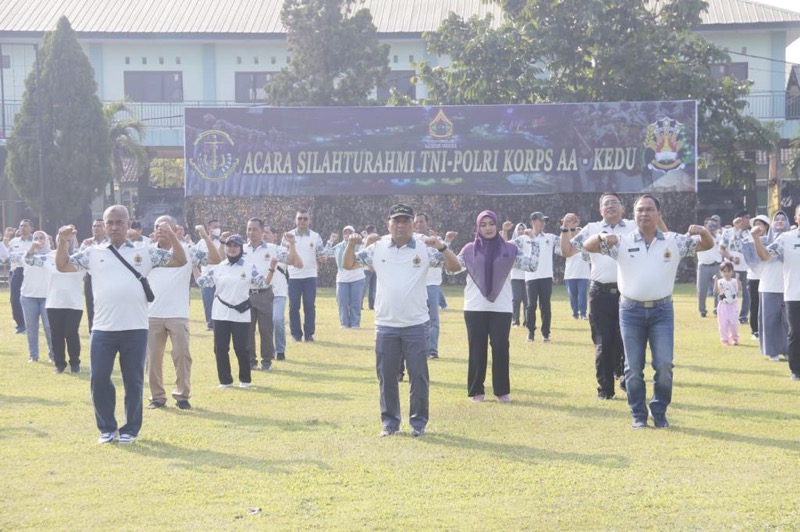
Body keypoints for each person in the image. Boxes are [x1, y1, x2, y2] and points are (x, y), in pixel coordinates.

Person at [56, 205, 187, 444]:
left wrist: (173, 236)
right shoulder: (93, 253)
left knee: (133, 380)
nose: (114, 227)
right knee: (99, 378)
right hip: (103, 329)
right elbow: (63, 266)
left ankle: (130, 429)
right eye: (110, 222)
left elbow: (179, 260)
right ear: (104, 226)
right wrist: (62, 241)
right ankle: (107, 428)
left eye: (119, 222)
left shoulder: (144, 252)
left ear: (129, 224)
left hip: (135, 328)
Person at [583, 194, 713, 428]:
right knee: (633, 367)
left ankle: (659, 411)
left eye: (649, 209)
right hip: (630, 311)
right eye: (640, 210)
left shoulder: (673, 241)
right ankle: (638, 415)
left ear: (658, 214)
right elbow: (588, 245)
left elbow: (707, 245)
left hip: (662, 311)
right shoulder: (621, 241)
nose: (644, 214)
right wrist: (602, 235)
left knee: (664, 365)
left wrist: (703, 231)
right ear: (634, 215)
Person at [343, 203, 460, 437]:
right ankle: (390, 423)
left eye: (405, 221)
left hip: (416, 324)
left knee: (418, 376)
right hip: (386, 324)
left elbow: (455, 267)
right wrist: (350, 244)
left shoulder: (424, 247)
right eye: (396, 221)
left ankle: (418, 423)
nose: (400, 225)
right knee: (387, 377)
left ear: (411, 224)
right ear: (389, 224)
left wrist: (442, 247)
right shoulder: (378, 247)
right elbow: (348, 264)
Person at [455, 212, 538, 403]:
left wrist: (533, 241)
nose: (488, 228)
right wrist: (444, 247)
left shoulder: (509, 249)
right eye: (483, 224)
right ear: (478, 227)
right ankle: (476, 391)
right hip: (475, 307)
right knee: (477, 348)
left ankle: (502, 391)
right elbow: (451, 268)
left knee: (501, 347)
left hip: (501, 307)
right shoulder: (469, 250)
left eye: (491, 223)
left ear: (497, 225)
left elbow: (532, 266)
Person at [146, 216, 222, 411]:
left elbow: (215, 258)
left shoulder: (188, 251)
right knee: (153, 358)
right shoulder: (148, 252)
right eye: (157, 227)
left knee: (181, 355)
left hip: (177, 313)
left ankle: (182, 395)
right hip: (152, 313)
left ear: (176, 229)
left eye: (165, 227)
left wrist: (204, 236)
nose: (160, 229)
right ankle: (157, 397)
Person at [199, 234, 285, 387]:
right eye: (229, 246)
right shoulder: (218, 267)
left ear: (240, 249)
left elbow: (263, 283)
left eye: (235, 246)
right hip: (220, 313)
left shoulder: (248, 266)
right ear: (225, 248)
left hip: (240, 313)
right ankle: (225, 381)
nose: (232, 249)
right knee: (220, 348)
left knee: (242, 348)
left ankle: (245, 380)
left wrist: (271, 268)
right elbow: (202, 282)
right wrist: (193, 265)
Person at [23, 231, 85, 373]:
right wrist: (32, 247)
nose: (66, 243)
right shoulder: (47, 258)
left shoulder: (80, 258)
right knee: (56, 335)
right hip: (54, 303)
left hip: (73, 303)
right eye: (63, 240)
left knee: (71, 333)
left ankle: (75, 363)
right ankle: (60, 365)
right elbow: (28, 260)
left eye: (69, 241)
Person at [244, 218, 300, 370]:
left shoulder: (273, 248)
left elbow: (291, 260)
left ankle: (266, 361)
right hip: (246, 294)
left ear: (262, 232)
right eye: (249, 229)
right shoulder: (242, 249)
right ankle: (250, 361)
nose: (251, 232)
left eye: (254, 229)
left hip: (265, 294)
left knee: (266, 329)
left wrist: (292, 244)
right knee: (247, 329)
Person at [754, 205, 800, 380]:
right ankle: (796, 370)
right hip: (794, 294)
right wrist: (756, 239)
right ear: (796, 218)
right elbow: (765, 256)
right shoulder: (786, 238)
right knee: (795, 333)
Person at [749, 210, 792, 365]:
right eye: (777, 219)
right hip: (768, 284)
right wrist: (756, 237)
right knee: (770, 320)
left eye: (782, 219)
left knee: (787, 322)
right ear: (772, 224)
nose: (780, 221)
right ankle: (771, 351)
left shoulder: (792, 240)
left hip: (788, 286)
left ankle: (787, 349)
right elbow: (756, 256)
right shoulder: (763, 241)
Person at [413, 212, 456, 359]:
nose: (418, 224)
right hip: (414, 285)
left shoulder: (436, 241)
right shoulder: (410, 241)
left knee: (433, 319)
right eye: (416, 222)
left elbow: (441, 257)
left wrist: (447, 242)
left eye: (421, 221)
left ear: (427, 223)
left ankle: (432, 350)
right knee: (415, 319)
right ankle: (418, 350)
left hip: (431, 284)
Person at [7, 230, 54, 363]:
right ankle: (33, 356)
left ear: (47, 240)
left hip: (47, 297)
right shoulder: (26, 256)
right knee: (31, 328)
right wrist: (32, 248)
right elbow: (8, 255)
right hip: (28, 297)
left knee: (49, 327)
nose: (38, 240)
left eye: (41, 238)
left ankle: (53, 355)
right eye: (36, 238)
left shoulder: (52, 256)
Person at [284, 208, 326, 342]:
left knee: (309, 305)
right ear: (295, 220)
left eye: (305, 219)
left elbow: (321, 253)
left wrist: (322, 258)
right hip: (293, 276)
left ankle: (309, 334)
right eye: (299, 218)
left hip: (310, 276)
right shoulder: (288, 236)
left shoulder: (315, 236)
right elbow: (282, 255)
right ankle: (296, 334)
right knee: (294, 306)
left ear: (309, 221)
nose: (302, 221)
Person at [517, 212, 560, 343]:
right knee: (531, 306)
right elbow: (507, 245)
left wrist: (568, 228)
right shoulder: (524, 238)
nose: (543, 223)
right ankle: (530, 333)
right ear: (533, 222)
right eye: (540, 220)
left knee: (545, 306)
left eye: (544, 221)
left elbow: (566, 242)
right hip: (531, 277)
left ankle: (545, 334)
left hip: (546, 277)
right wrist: (505, 231)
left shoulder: (550, 237)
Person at [329, 225, 366, 329]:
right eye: (345, 232)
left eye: (349, 232)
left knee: (356, 303)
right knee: (342, 302)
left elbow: (364, 258)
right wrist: (330, 241)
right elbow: (325, 253)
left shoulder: (360, 246)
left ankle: (355, 324)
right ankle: (344, 323)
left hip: (357, 278)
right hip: (342, 279)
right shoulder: (338, 246)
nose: (347, 234)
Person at [719, 211, 751, 324]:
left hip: (746, 268)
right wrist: (731, 258)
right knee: (727, 291)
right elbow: (722, 249)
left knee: (747, 293)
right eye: (746, 217)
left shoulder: (749, 233)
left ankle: (743, 316)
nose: (748, 220)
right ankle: (725, 314)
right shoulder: (728, 232)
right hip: (730, 268)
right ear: (740, 219)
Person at [193, 219, 221, 331]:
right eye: (215, 227)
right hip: (206, 276)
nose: (217, 229)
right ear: (208, 228)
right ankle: (210, 324)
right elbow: (194, 259)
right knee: (208, 300)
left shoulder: (222, 242)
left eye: (219, 226)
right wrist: (197, 274)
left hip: (219, 276)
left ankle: (219, 323)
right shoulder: (201, 243)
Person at [745, 214, 771, 339]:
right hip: (754, 277)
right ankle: (755, 330)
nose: (758, 227)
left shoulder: (772, 240)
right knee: (755, 304)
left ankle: (767, 329)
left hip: (769, 277)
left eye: (760, 224)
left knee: (768, 305)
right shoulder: (748, 240)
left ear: (766, 226)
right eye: (756, 224)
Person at [80, 218, 107, 334]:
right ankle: (93, 332)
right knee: (90, 305)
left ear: (105, 228)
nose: (96, 228)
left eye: (99, 226)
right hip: (90, 276)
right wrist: (88, 248)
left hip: (105, 277)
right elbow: (80, 259)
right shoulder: (87, 243)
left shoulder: (110, 242)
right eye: (94, 226)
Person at [6, 219, 34, 333]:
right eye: (21, 226)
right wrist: (6, 237)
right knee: (15, 299)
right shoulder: (14, 241)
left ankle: (32, 322)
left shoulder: (36, 241)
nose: (22, 228)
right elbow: (5, 254)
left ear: (31, 228)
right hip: (17, 272)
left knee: (32, 299)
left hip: (31, 272)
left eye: (25, 226)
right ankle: (21, 325)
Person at [560, 215, 590, 320]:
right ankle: (575, 314)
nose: (577, 233)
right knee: (572, 295)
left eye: (579, 232)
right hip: (570, 273)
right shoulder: (570, 245)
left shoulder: (586, 245)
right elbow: (570, 239)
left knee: (582, 295)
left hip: (584, 273)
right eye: (576, 231)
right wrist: (571, 227)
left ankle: (583, 313)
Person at [267, 227, 290, 361]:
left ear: (274, 235)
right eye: (262, 232)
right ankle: (268, 351)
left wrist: (291, 245)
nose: (264, 234)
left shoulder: (280, 250)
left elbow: (293, 260)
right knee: (265, 324)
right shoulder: (254, 251)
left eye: (267, 232)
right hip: (262, 292)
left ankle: (280, 350)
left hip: (279, 291)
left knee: (277, 319)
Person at [695, 217, 722, 318]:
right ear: (705, 226)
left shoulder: (719, 237)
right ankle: (702, 310)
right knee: (701, 289)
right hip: (703, 266)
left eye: (714, 226)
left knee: (718, 289)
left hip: (716, 265)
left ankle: (717, 309)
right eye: (710, 226)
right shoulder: (698, 237)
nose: (712, 228)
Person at [714, 262, 741, 346]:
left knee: (733, 323)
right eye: (724, 271)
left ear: (732, 272)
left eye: (728, 271)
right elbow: (716, 291)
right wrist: (715, 281)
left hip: (733, 305)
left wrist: (738, 279)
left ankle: (734, 338)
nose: (726, 273)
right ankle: (724, 339)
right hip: (723, 306)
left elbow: (739, 289)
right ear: (721, 272)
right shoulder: (720, 281)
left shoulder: (733, 281)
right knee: (723, 323)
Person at [508, 223, 529, 327]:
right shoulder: (512, 244)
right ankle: (515, 321)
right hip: (515, 276)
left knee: (527, 300)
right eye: (519, 229)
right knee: (516, 299)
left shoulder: (529, 243)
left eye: (522, 229)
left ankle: (527, 321)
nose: (521, 231)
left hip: (527, 277)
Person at [361, 224, 377, 310]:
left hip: (373, 269)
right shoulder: (367, 240)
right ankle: (364, 304)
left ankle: (372, 305)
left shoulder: (367, 239)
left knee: (371, 288)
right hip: (367, 269)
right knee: (366, 288)